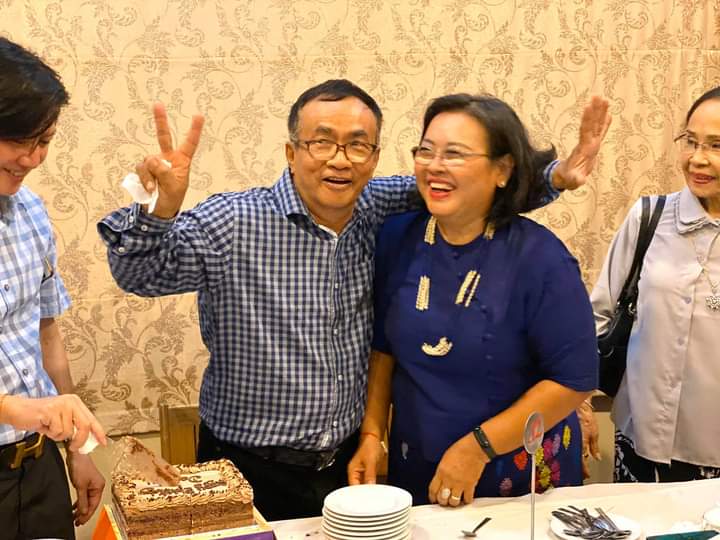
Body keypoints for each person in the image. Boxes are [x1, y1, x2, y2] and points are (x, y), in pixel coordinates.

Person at [98, 79, 609, 520]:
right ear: (291, 152)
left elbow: (469, 190)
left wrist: (555, 177)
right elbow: (141, 274)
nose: (339, 160)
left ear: (375, 157)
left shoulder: (380, 209)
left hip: (348, 468)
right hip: (249, 466)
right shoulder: (233, 222)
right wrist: (159, 210)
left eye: (358, 145)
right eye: (321, 142)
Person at [347, 93, 599, 506]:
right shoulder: (397, 237)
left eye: (454, 154)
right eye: (426, 151)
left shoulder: (541, 258)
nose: (435, 166)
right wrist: (373, 434)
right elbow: (384, 349)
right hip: (419, 466)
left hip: (518, 478)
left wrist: (477, 448)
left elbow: (573, 381)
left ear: (502, 170)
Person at [0, 36, 107, 538]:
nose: (32, 158)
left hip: (38, 464)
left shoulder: (31, 213)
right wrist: (16, 408)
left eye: (44, 141)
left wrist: (77, 448)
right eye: (19, 139)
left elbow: (47, 335)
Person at [591, 86, 720, 483]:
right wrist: (578, 400)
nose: (698, 158)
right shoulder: (648, 217)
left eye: (716, 146)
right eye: (691, 141)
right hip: (641, 442)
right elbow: (598, 315)